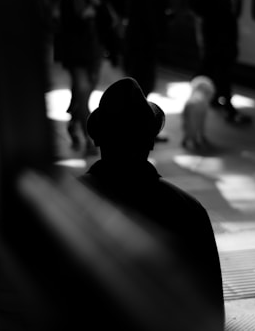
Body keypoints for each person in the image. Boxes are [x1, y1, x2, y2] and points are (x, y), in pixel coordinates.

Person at [78, 77, 225, 330]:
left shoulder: (66, 200)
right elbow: (211, 309)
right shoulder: (188, 211)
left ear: (97, 139)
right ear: (151, 141)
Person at [189, 0, 251, 125]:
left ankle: (216, 98)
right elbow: (197, 4)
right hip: (217, 30)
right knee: (221, 66)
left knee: (214, 65)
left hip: (220, 30)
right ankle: (228, 107)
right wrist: (213, 15)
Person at [57, 0, 106, 155]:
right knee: (84, 91)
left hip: (94, 52)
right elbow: (66, 26)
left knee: (84, 90)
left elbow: (106, 22)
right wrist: (84, 14)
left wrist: (97, 4)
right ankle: (89, 138)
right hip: (76, 53)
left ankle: (73, 121)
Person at [123, 0, 167, 99]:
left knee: (137, 80)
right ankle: (137, 120)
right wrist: (159, 33)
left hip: (135, 37)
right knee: (143, 83)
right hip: (145, 40)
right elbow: (150, 11)